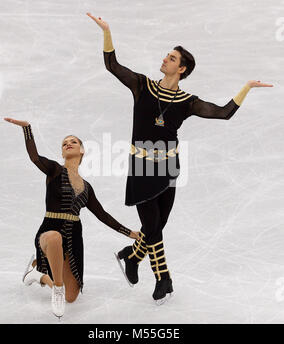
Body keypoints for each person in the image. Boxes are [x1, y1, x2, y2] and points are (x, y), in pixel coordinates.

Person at [87, 13, 274, 305]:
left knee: (156, 226)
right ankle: (163, 278)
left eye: (171, 58)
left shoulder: (187, 102)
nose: (165, 60)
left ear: (182, 68)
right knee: (152, 224)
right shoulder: (142, 86)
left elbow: (223, 113)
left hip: (168, 168)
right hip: (141, 167)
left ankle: (131, 256)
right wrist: (107, 32)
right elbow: (112, 65)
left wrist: (246, 88)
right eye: (166, 56)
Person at [4, 117, 140, 318]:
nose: (68, 143)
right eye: (64, 143)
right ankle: (56, 288)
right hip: (49, 229)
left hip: (74, 237)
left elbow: (102, 214)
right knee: (54, 238)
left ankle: (38, 275)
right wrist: (27, 129)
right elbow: (34, 157)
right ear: (61, 152)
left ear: (82, 150)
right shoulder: (54, 170)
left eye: (73, 142)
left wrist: (129, 233)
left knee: (71, 296)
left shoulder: (86, 187)